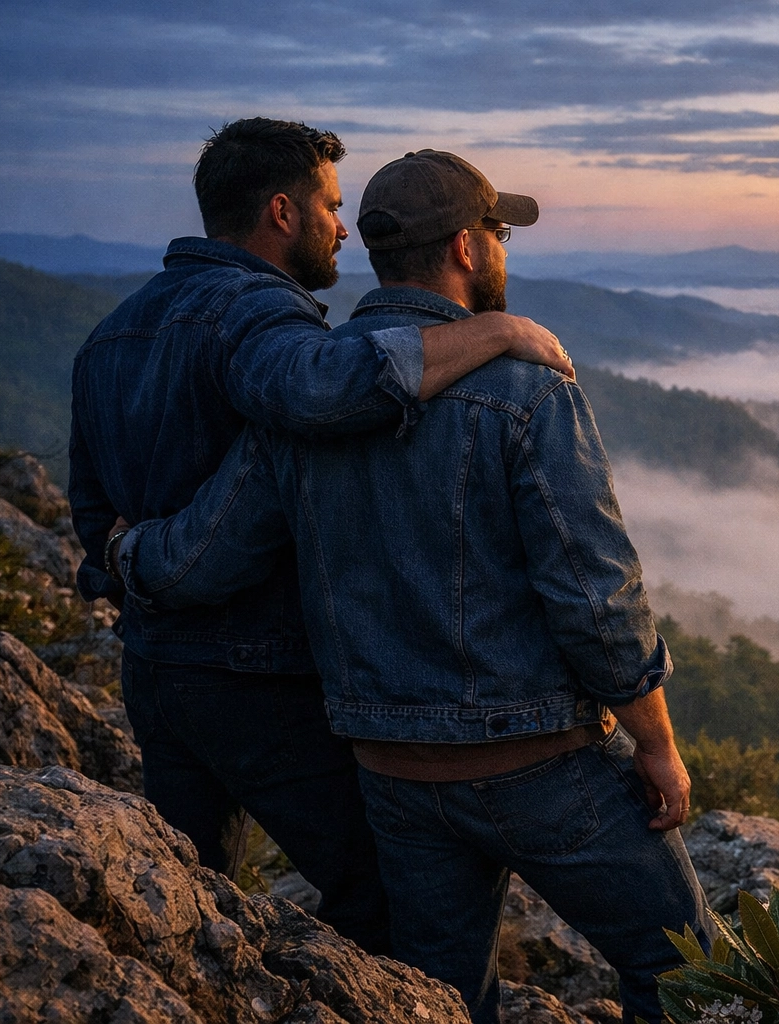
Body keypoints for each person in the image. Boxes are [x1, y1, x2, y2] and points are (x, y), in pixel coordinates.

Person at [112, 149, 709, 1024]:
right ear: (468, 248)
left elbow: (208, 554)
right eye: (501, 232)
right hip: (537, 760)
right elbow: (596, 597)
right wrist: (656, 743)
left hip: (395, 780)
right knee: (688, 971)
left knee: (438, 1002)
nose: (505, 248)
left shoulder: (308, 391)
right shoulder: (525, 387)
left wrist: (126, 554)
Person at [69, 120, 573, 956]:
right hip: (263, 679)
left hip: (157, 672)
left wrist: (128, 566)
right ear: (281, 212)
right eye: (332, 207)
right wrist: (499, 332)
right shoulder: (258, 316)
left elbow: (96, 517)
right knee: (389, 897)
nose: (344, 227)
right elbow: (316, 390)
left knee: (183, 913)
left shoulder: (112, 334)